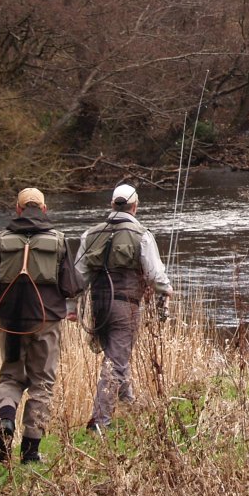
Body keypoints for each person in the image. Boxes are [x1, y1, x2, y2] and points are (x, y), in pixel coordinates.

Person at [0, 187, 82, 464]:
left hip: (10, 323)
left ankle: (6, 421)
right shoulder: (58, 241)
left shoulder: (1, 240)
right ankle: (31, 452)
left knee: (10, 377)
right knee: (42, 382)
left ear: (18, 209)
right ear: (44, 209)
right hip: (45, 321)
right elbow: (71, 286)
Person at [75, 183, 173, 432]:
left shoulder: (90, 234)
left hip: (97, 307)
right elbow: (155, 275)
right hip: (125, 306)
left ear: (111, 205)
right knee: (116, 363)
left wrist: (69, 307)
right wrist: (166, 292)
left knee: (116, 355)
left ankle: (129, 404)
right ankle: (99, 423)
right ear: (135, 207)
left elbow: (77, 277)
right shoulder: (141, 234)